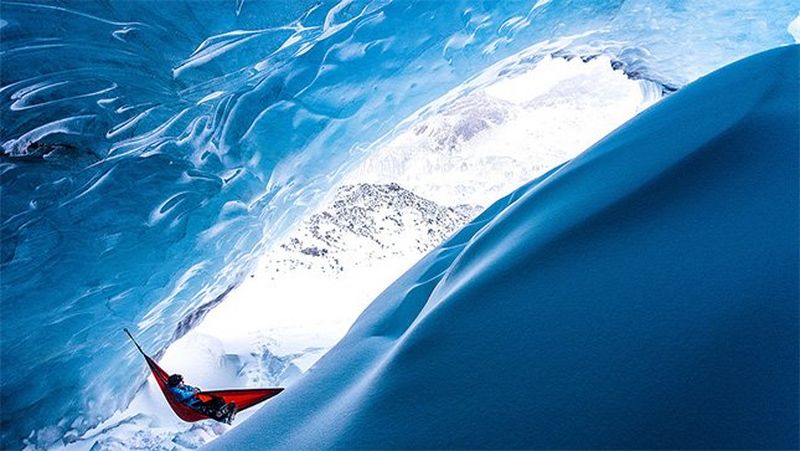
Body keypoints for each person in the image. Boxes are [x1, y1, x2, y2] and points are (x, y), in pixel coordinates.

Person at [167, 374, 236, 424]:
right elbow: (182, 396)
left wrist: (195, 389)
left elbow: (191, 388)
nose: (183, 382)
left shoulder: (183, 387)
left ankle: (224, 411)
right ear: (177, 383)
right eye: (181, 382)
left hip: (198, 401)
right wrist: (193, 392)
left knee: (217, 400)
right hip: (192, 405)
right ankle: (221, 417)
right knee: (207, 410)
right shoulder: (174, 390)